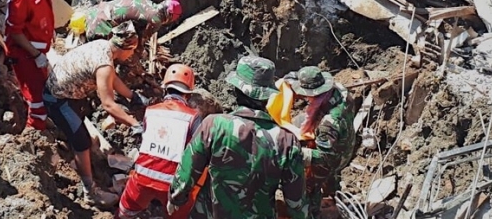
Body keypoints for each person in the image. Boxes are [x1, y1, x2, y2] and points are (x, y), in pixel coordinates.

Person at [167, 56, 308, 219]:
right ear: (268, 95)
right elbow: (296, 201)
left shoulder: (214, 125)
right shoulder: (287, 141)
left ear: (236, 90)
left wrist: (176, 198)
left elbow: (188, 169)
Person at [42, 22, 150, 207]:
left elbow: (112, 78)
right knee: (82, 142)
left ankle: (86, 164)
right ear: (126, 48)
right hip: (58, 100)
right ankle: (89, 192)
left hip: (68, 94)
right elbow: (108, 105)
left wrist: (133, 96)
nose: (132, 55)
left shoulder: (103, 46)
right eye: (132, 50)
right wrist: (135, 125)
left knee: (83, 136)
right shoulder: (104, 65)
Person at [116, 64, 202, 219]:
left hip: (142, 178)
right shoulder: (193, 118)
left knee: (124, 213)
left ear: (165, 89)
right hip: (173, 187)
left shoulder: (151, 111)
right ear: (188, 94)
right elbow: (198, 154)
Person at [286, 66, 356, 219]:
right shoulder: (340, 90)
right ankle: (333, 191)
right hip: (347, 139)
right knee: (330, 177)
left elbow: (325, 157)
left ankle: (314, 211)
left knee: (311, 182)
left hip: (336, 155)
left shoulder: (328, 124)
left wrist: (297, 153)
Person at [4, 0, 62, 130]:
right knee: (37, 100)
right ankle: (34, 134)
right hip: (24, 55)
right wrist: (36, 55)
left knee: (42, 91)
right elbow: (15, 32)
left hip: (36, 51)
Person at [84, 0, 182, 49]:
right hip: (97, 29)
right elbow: (141, 43)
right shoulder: (156, 20)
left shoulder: (148, 2)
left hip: (92, 13)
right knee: (127, 51)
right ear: (169, 17)